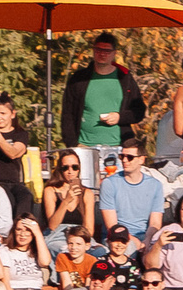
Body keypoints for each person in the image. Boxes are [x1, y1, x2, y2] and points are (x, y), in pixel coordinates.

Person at [59, 33, 144, 186]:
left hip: (119, 149)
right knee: (85, 191)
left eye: (106, 51)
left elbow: (139, 111)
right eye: (98, 50)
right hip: (84, 148)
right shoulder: (79, 79)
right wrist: (73, 145)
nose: (102, 54)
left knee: (118, 191)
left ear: (114, 53)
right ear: (93, 51)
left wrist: (120, 117)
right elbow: (67, 114)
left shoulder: (125, 78)